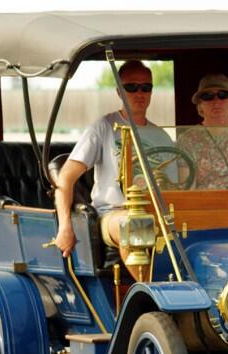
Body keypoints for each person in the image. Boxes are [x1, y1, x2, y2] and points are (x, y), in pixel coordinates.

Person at [53, 60, 173, 264]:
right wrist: (64, 226)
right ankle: (151, 292)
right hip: (113, 213)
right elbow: (65, 178)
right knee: (133, 225)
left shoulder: (161, 136)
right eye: (132, 87)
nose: (140, 93)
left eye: (146, 87)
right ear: (119, 91)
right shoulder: (104, 127)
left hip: (156, 212)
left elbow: (175, 186)